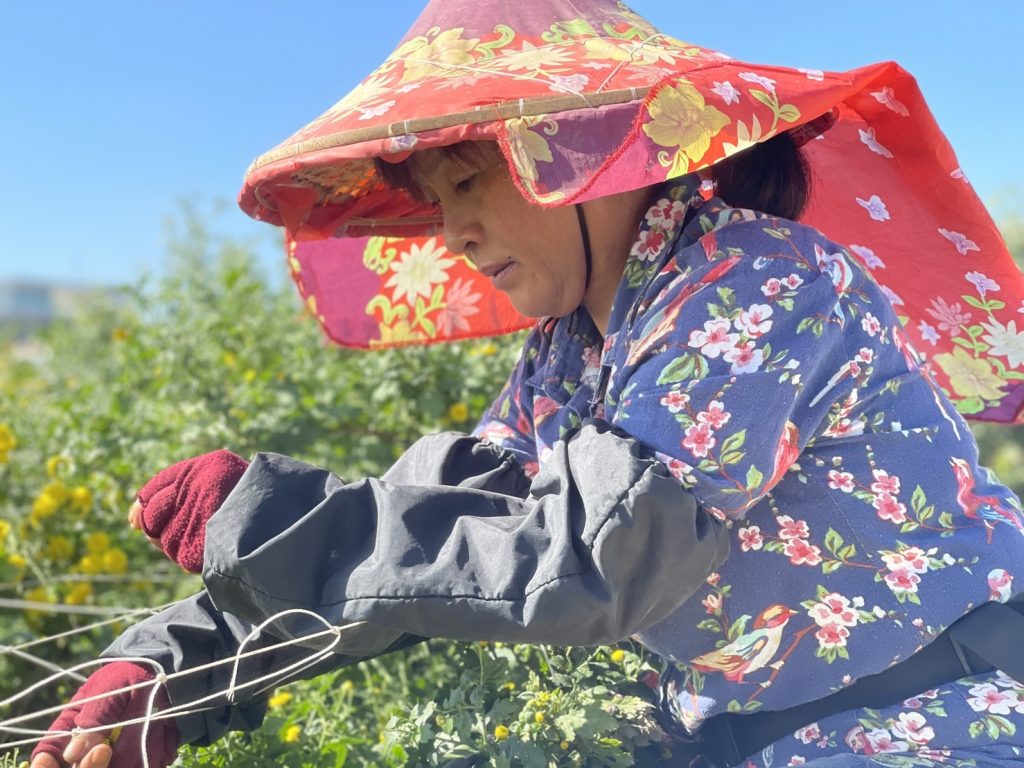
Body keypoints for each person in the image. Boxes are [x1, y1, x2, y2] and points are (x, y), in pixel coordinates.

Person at [28, 0, 1024, 766]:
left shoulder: (750, 280)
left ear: (584, 153)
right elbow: (439, 532)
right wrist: (169, 669)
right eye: (435, 202)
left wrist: (270, 522)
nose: (453, 234)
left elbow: (601, 560)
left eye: (469, 181)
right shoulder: (568, 353)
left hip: (938, 723)